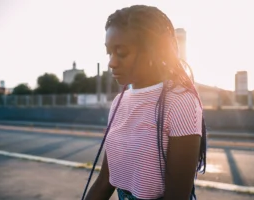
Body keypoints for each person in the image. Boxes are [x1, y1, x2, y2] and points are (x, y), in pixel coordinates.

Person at [84, 5, 207, 200]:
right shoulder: (119, 102)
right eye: (109, 52)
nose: (112, 62)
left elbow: (176, 196)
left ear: (153, 51)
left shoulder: (182, 101)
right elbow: (106, 179)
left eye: (121, 52)